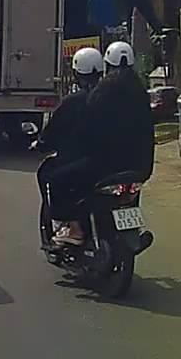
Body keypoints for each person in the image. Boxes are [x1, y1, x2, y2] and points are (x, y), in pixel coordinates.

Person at [53, 41, 154, 245]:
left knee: (58, 179)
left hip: (107, 164)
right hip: (142, 166)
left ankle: (74, 229)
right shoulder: (140, 92)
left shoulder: (103, 93)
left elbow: (88, 130)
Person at [36, 47, 103, 247]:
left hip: (84, 162)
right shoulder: (110, 98)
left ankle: (73, 228)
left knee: (51, 176)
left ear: (76, 73)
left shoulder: (73, 102)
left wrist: (40, 144)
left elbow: (52, 130)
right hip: (114, 161)